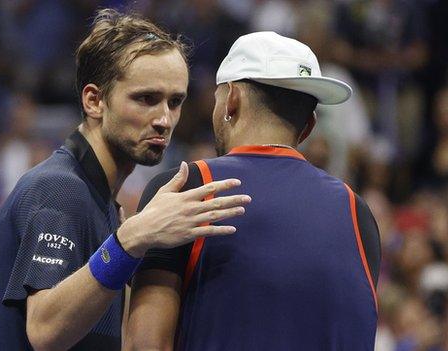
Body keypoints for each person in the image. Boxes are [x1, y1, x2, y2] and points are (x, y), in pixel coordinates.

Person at [0, 9, 251, 351]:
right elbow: (45, 330)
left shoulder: (101, 201)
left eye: (175, 101)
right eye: (146, 99)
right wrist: (131, 240)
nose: (164, 120)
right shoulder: (60, 189)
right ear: (94, 100)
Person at [125, 31, 381, 350]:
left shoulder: (185, 187)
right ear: (309, 126)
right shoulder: (357, 212)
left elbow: (143, 344)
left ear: (232, 99)